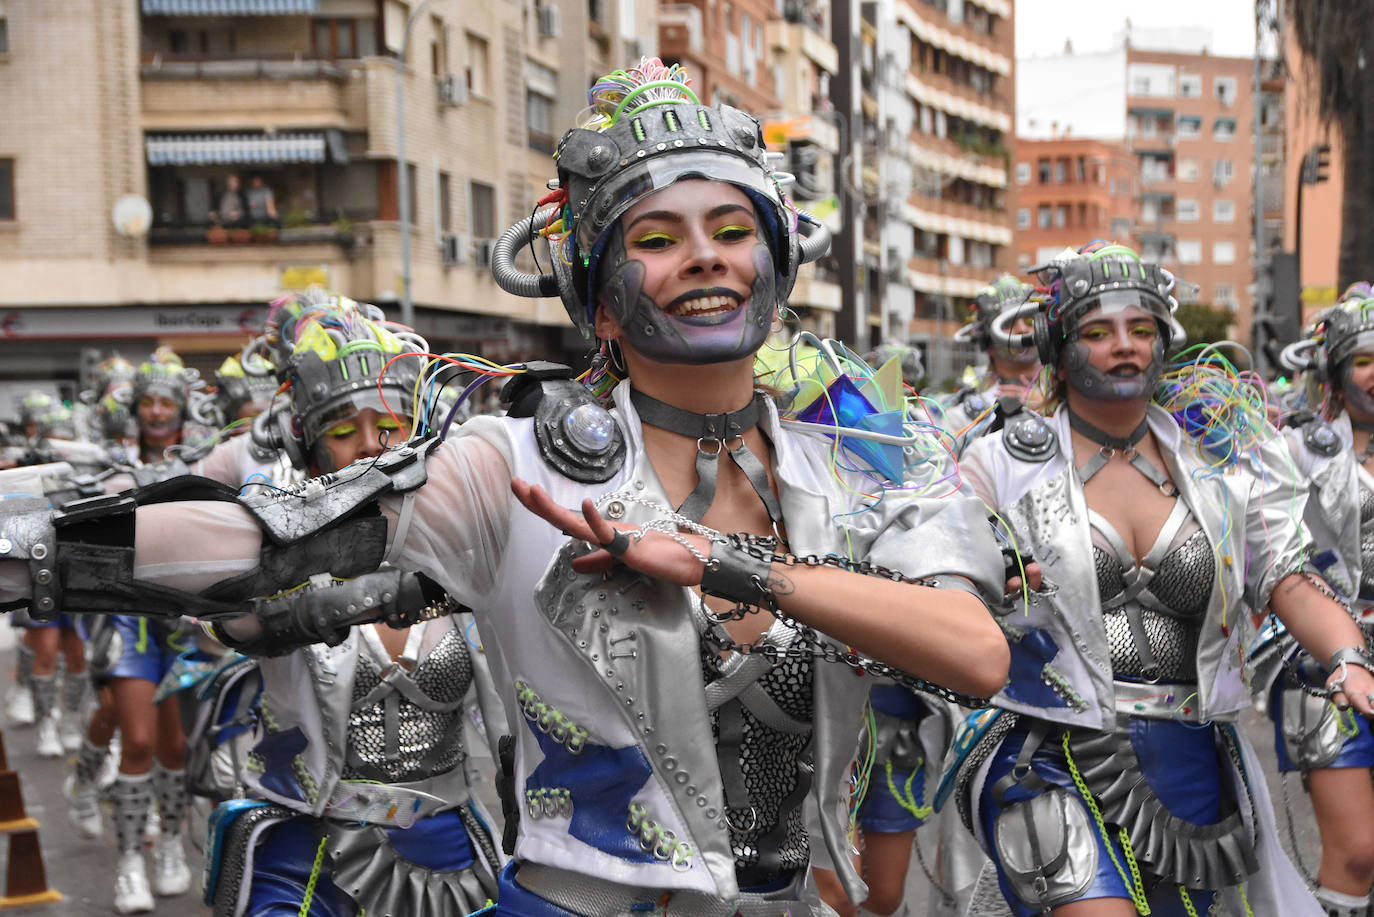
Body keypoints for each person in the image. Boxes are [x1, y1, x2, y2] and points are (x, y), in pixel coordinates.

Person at [0, 58, 1008, 916]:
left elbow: (972, 650)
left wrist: (726, 563)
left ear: (777, 261)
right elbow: (274, 542)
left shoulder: (868, 460)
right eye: (655, 239)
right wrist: (27, 536)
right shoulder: (515, 464)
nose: (704, 254)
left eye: (732, 227)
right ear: (598, 300)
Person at [945, 243, 1373, 916]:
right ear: (1058, 342)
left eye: (1140, 329)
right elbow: (946, 588)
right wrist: (991, 590)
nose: (1125, 346)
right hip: (1051, 748)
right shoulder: (999, 461)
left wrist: (1346, 656)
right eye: (1097, 330)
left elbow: (1285, 572)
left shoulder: (1218, 458)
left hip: (1191, 753)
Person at [1265, 289, 1374, 917]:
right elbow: (1269, 550)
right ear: (1333, 368)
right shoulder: (1301, 447)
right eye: (1364, 359)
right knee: (1358, 851)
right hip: (1321, 663)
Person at [941, 274, 1044, 456]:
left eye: (1029, 320)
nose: (1022, 329)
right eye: (1008, 323)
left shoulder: (1075, 398)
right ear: (989, 344)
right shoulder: (963, 419)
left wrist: (1049, 408)